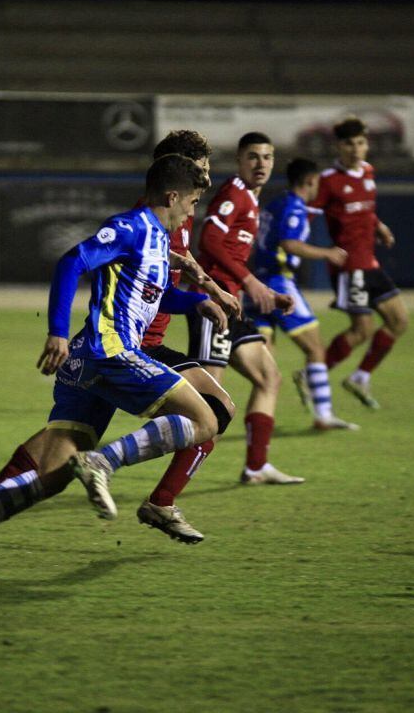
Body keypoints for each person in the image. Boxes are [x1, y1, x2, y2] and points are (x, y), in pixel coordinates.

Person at [0, 154, 231, 570]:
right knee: (206, 420)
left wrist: (200, 302)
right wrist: (55, 330)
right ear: (173, 195)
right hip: (111, 351)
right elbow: (73, 260)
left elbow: (155, 296)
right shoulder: (131, 226)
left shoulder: (160, 241)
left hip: (92, 363)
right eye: (193, 202)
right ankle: (103, 462)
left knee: (51, 474)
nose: (193, 211)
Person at [137, 130, 241, 544]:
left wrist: (211, 288)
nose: (208, 177)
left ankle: (161, 501)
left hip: (150, 342)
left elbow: (182, 256)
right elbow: (153, 281)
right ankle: (149, 494)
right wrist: (198, 302)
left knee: (214, 413)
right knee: (212, 414)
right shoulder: (146, 217)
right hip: (130, 346)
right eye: (202, 169)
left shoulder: (182, 209)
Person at [188, 131, 302, 485]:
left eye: (267, 157)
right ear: (239, 160)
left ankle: (256, 467)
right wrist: (252, 283)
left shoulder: (252, 199)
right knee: (211, 406)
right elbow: (208, 240)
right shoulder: (234, 192)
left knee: (270, 378)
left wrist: (258, 287)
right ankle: (158, 478)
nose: (261, 164)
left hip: (233, 303)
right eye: (253, 156)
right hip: (214, 303)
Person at [251, 157, 357, 432]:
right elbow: (290, 243)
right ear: (311, 181)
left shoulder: (274, 204)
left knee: (265, 367)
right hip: (278, 283)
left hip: (255, 284)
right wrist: (328, 253)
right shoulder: (293, 206)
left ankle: (260, 429)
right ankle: (323, 414)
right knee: (316, 348)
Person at [315, 117, 409, 411]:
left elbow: (367, 210)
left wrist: (379, 227)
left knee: (399, 321)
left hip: (370, 263)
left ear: (366, 144)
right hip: (348, 267)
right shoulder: (328, 180)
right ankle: (313, 375)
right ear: (338, 146)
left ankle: (360, 376)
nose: (355, 149)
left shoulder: (368, 172)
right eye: (348, 143)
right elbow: (304, 211)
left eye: (360, 143)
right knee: (361, 331)